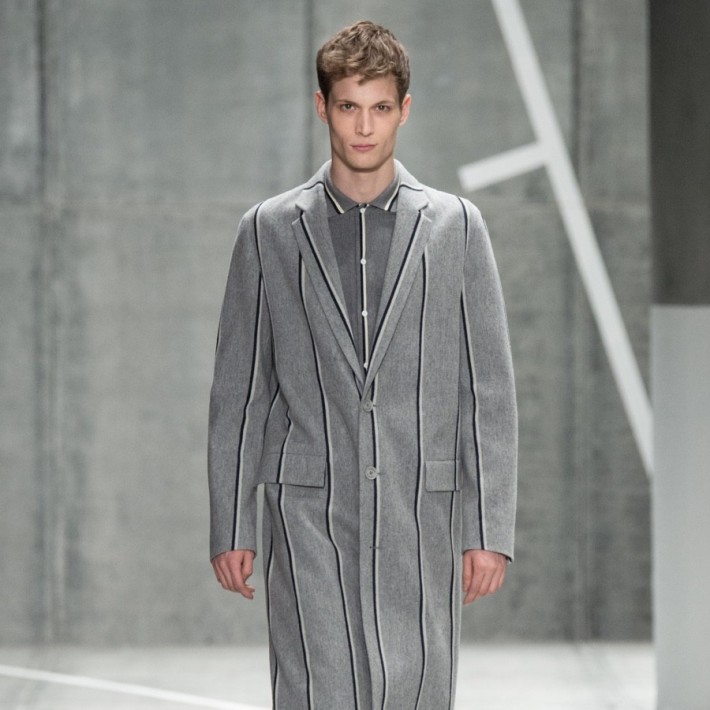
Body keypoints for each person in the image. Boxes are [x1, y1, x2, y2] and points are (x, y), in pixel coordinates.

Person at [208, 20, 517, 710]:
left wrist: (489, 529)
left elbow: (487, 389)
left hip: (420, 509)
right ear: (323, 107)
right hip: (306, 508)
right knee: (315, 689)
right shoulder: (267, 230)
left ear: (405, 109)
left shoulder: (457, 227)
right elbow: (240, 389)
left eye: (380, 107)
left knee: (415, 689)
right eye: (349, 106)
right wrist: (232, 522)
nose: (365, 126)